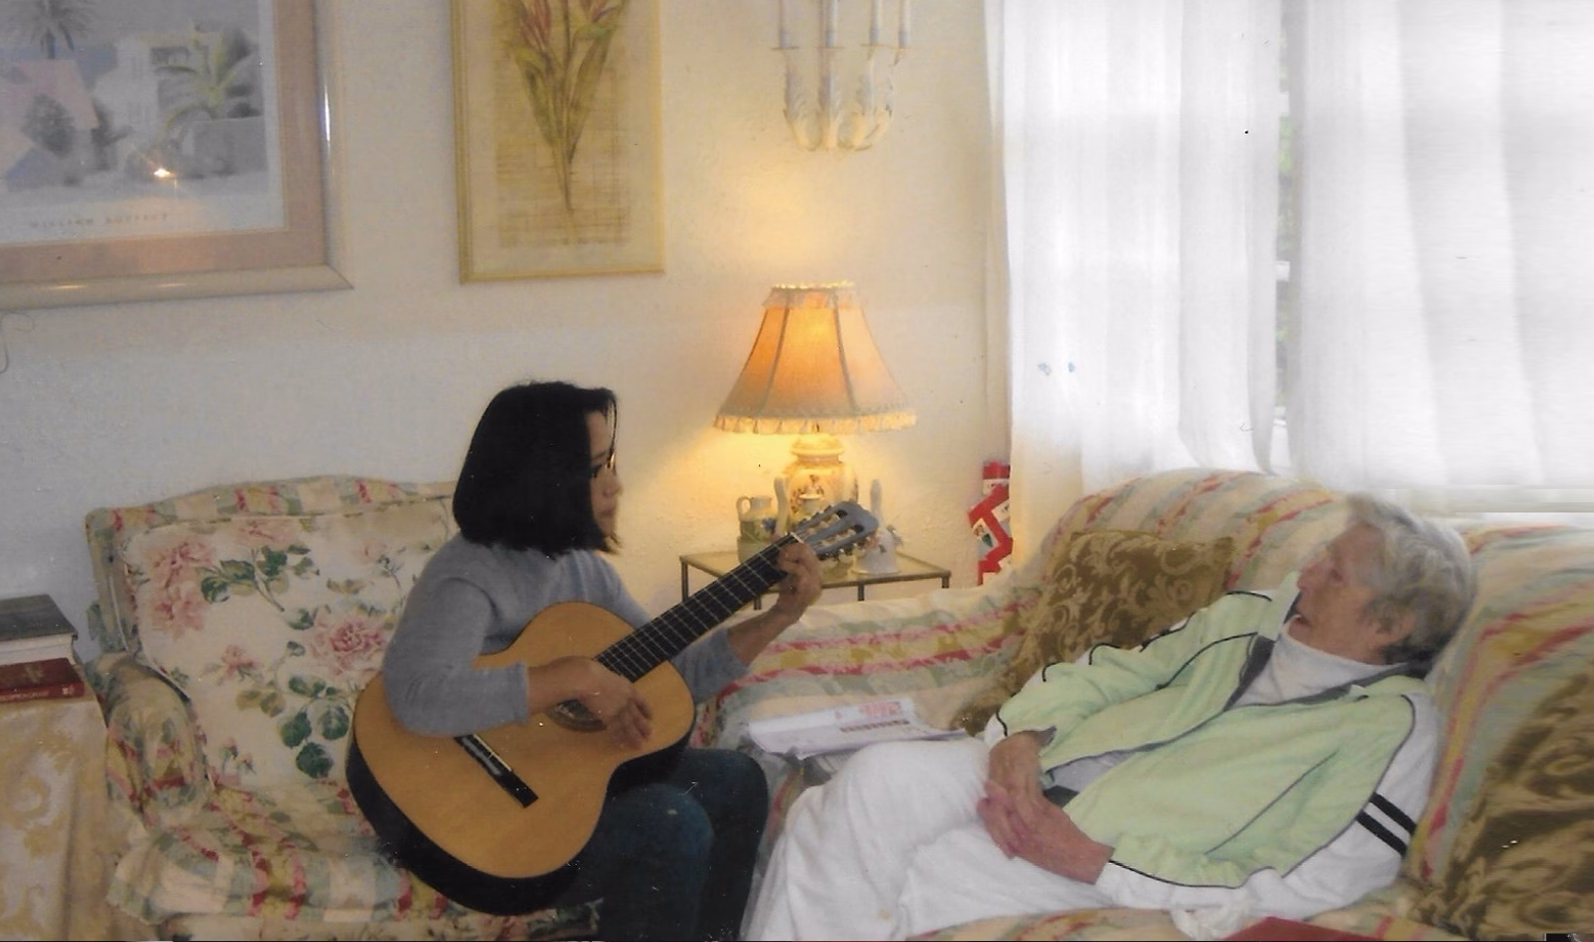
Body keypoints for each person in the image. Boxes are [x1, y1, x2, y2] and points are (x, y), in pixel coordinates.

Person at [746, 493, 1476, 941]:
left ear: (1389, 624)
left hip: (1108, 851)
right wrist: (1021, 734)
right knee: (874, 778)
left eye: (1333, 574)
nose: (1306, 573)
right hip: (1044, 765)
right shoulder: (1256, 614)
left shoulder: (1391, 731)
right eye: (1320, 555)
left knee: (851, 843)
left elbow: (1312, 886)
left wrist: (1098, 862)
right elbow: (1113, 671)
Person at [352, 380, 823, 942]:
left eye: (610, 464)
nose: (615, 485)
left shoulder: (583, 571)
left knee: (737, 780)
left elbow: (674, 682)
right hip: (461, 831)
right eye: (596, 468)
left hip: (555, 795)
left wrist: (777, 617)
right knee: (670, 823)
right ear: (542, 478)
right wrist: (571, 678)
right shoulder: (467, 575)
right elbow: (418, 698)